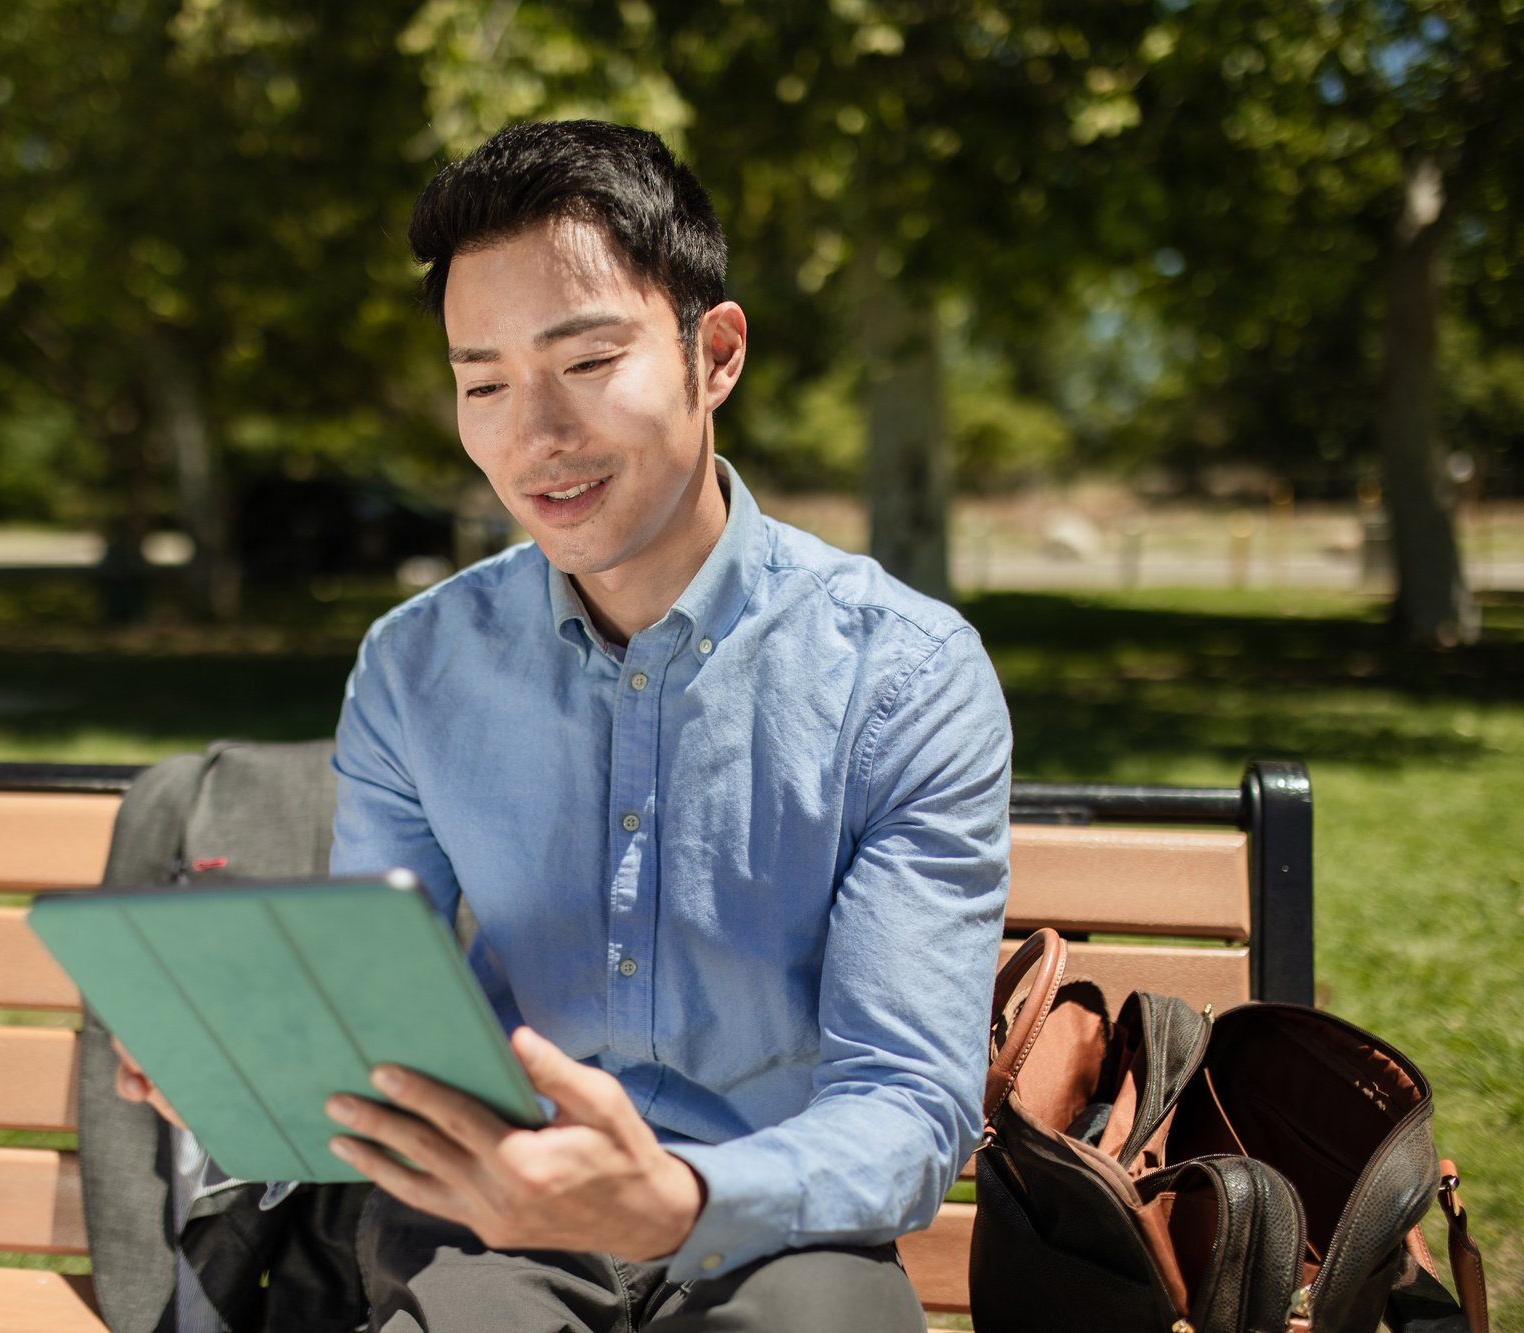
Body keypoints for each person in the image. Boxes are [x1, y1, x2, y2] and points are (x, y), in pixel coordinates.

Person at [119, 119, 1012, 1332]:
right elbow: (383, 1040)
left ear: (717, 355)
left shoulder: (903, 677)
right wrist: (255, 1081)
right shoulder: (414, 664)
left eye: (587, 361)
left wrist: (676, 1193)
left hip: (777, 1221)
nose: (532, 435)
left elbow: (908, 1109)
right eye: (482, 382)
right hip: (500, 1207)